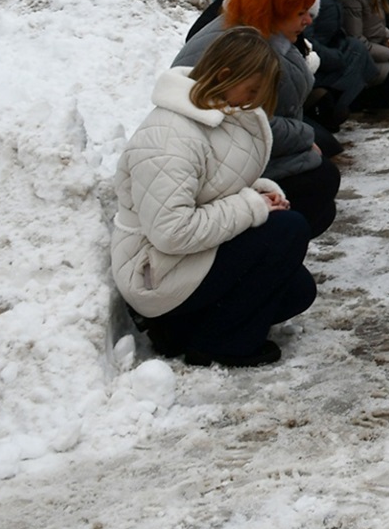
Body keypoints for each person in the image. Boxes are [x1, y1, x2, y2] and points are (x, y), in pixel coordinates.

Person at [112, 27, 318, 368]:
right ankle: (219, 344)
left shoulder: (216, 113)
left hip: (180, 261)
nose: (252, 102)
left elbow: (212, 188)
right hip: (154, 274)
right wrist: (251, 207)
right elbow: (171, 230)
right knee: (289, 230)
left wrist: (258, 194)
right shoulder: (169, 138)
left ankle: (180, 329)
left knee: (297, 290)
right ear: (224, 75)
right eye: (251, 90)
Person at [174, 0, 341, 233]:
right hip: (218, 164)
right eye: (301, 12)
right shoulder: (235, 45)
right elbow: (238, 120)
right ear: (273, 10)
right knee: (320, 180)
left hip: (246, 150)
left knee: (323, 176)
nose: (309, 20)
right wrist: (303, 137)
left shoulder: (262, 33)